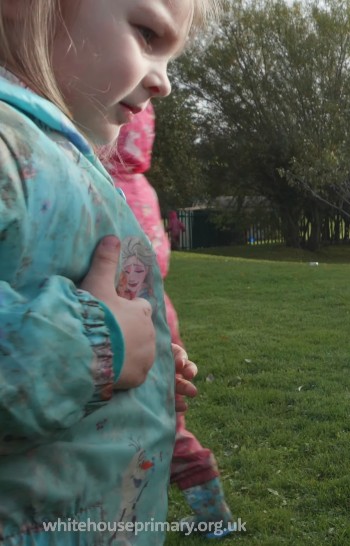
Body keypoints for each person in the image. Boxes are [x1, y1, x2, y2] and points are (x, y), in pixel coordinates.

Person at [0, 0, 217, 543]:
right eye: (147, 34)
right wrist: (101, 344)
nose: (164, 83)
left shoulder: (62, 155)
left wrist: (138, 366)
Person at [104, 104, 236, 538]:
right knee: (155, 419)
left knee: (154, 424)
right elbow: (158, 256)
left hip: (128, 319)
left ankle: (213, 513)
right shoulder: (140, 186)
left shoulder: (103, 184)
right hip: (155, 312)